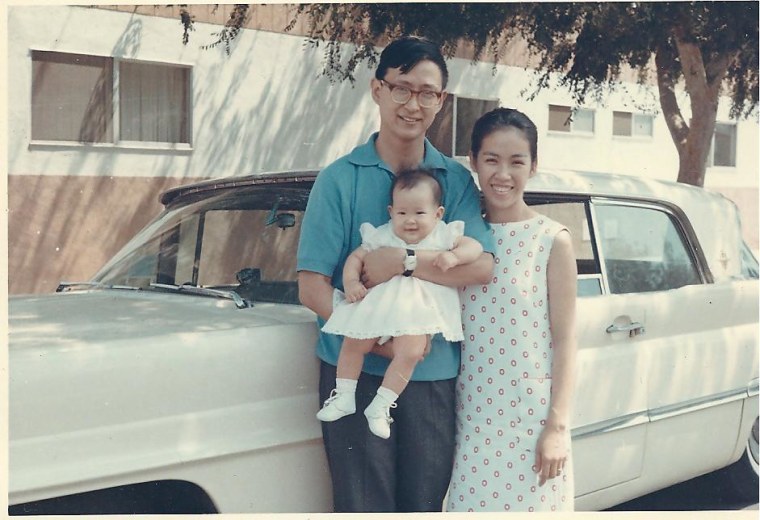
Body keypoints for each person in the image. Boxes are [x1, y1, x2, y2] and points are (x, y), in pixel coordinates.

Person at [296, 35, 494, 513]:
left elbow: (481, 266)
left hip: (432, 371)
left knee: (423, 504)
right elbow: (311, 286)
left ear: (441, 101)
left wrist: (404, 262)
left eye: (427, 93)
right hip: (354, 372)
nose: (413, 104)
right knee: (364, 505)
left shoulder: (455, 179)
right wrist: (380, 341)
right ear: (377, 90)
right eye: (401, 88)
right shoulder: (340, 178)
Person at [447, 108, 578, 512]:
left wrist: (557, 427)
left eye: (516, 161)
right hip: (468, 420)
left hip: (530, 422)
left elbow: (566, 341)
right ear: (474, 162)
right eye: (491, 160)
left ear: (533, 166)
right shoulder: (455, 239)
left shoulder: (551, 240)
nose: (503, 174)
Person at [318, 168, 483, 439]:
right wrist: (351, 283)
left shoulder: (443, 235)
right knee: (353, 342)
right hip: (380, 305)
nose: (410, 221)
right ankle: (344, 395)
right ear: (391, 212)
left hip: (418, 310)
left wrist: (455, 257)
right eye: (402, 213)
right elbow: (356, 258)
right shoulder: (384, 234)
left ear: (438, 214)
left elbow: (474, 247)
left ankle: (381, 405)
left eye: (419, 213)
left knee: (411, 352)